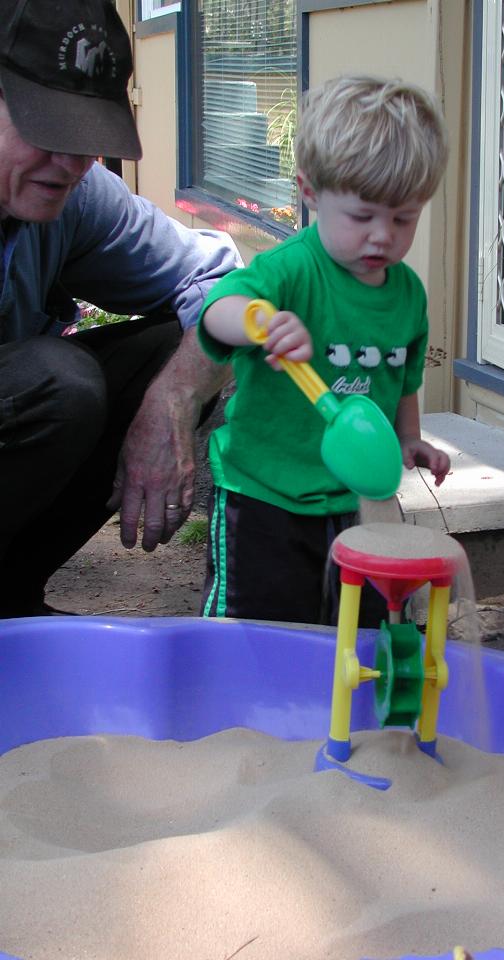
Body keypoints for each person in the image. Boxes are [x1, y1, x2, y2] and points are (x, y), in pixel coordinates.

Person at [0, 0, 241, 618]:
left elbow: (220, 280)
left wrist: (172, 401)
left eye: (88, 135)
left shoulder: (75, 196)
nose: (75, 163)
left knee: (173, 352)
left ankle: (9, 601)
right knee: (58, 382)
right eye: (48, 127)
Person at [197, 74, 451, 624]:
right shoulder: (291, 270)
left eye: (404, 218)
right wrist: (260, 322)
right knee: (258, 629)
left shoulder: (407, 294)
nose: (383, 236)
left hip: (357, 500)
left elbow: (402, 377)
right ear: (310, 193)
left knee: (362, 632)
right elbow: (218, 309)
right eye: (362, 217)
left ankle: (340, 709)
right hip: (266, 496)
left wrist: (410, 440)